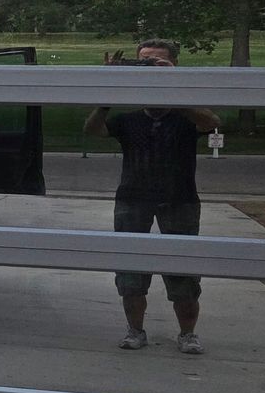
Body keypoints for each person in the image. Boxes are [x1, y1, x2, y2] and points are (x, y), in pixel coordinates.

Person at [83, 39, 220, 356]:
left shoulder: (185, 116)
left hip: (180, 200)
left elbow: (212, 123)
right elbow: (92, 129)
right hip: (132, 199)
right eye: (143, 62)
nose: (149, 68)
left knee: (182, 269)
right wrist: (110, 88)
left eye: (157, 63)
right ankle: (135, 330)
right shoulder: (130, 119)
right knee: (130, 268)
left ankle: (188, 334)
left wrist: (172, 88)